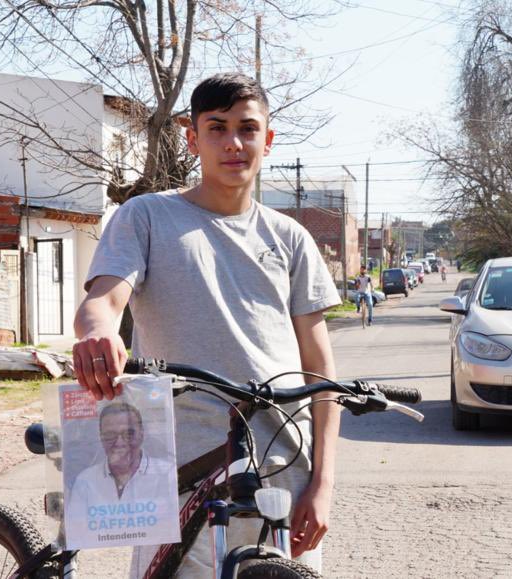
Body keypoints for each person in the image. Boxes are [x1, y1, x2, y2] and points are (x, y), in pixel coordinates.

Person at [72, 73, 341, 576]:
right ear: (192, 139)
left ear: (268, 139)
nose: (233, 143)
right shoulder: (146, 217)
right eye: (216, 128)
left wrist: (322, 484)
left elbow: (319, 370)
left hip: (284, 469)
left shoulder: (291, 238)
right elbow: (104, 299)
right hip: (180, 472)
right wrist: (97, 331)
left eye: (247, 128)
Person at [65, 402, 177, 541]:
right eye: (110, 435)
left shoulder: (168, 475)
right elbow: (76, 534)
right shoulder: (85, 481)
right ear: (100, 437)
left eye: (129, 434)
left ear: (142, 434)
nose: (119, 442)